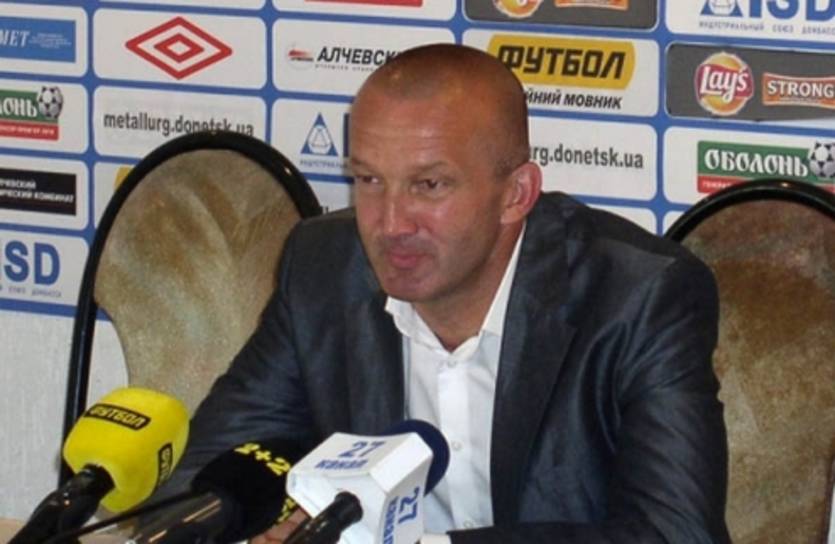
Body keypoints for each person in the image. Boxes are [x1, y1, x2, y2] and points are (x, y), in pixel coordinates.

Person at [164, 43, 731, 543]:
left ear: (516, 194)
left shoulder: (636, 296)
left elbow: (676, 533)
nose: (390, 224)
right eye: (368, 180)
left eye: (429, 185)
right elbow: (209, 476)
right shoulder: (322, 269)